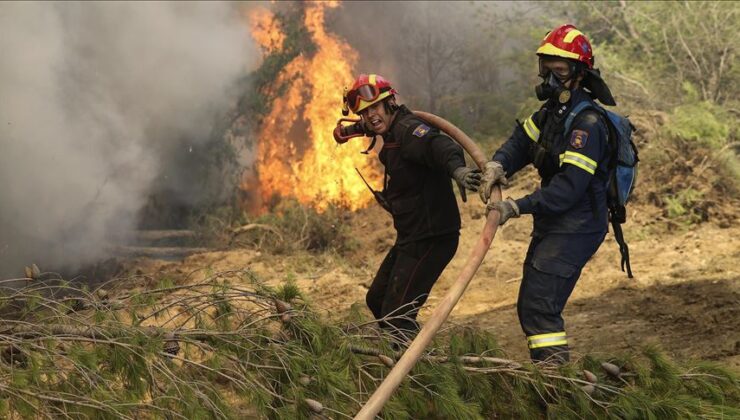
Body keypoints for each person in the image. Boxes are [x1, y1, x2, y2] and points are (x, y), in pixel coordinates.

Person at [479, 24, 619, 364]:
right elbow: (521, 143)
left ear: (580, 74)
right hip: (555, 222)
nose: (551, 78)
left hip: (578, 225)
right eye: (547, 68)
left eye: (560, 70)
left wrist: (516, 205)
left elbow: (569, 189)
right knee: (532, 303)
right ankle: (559, 380)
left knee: (540, 307)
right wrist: (499, 164)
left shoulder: (587, 123)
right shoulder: (552, 113)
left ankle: (558, 387)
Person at [343, 74, 481, 343]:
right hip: (411, 237)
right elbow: (368, 127)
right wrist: (346, 131)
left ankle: (419, 371)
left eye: (375, 107)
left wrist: (459, 171)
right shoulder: (392, 131)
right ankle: (403, 353)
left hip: (433, 238)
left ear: (390, 102)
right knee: (377, 299)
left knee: (397, 316)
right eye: (364, 112)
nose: (370, 116)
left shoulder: (409, 130)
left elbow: (438, 145)